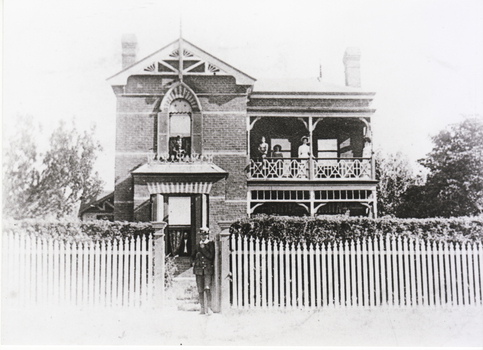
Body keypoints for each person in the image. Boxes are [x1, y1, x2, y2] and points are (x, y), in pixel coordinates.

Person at [191, 228, 215, 315]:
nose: (203, 237)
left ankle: (208, 308)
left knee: (207, 288)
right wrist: (194, 261)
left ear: (207, 235)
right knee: (200, 289)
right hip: (198, 270)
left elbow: (211, 256)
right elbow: (192, 256)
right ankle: (202, 308)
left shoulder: (210, 244)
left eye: (205, 235)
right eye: (201, 235)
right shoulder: (197, 245)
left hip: (207, 270)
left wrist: (203, 248)